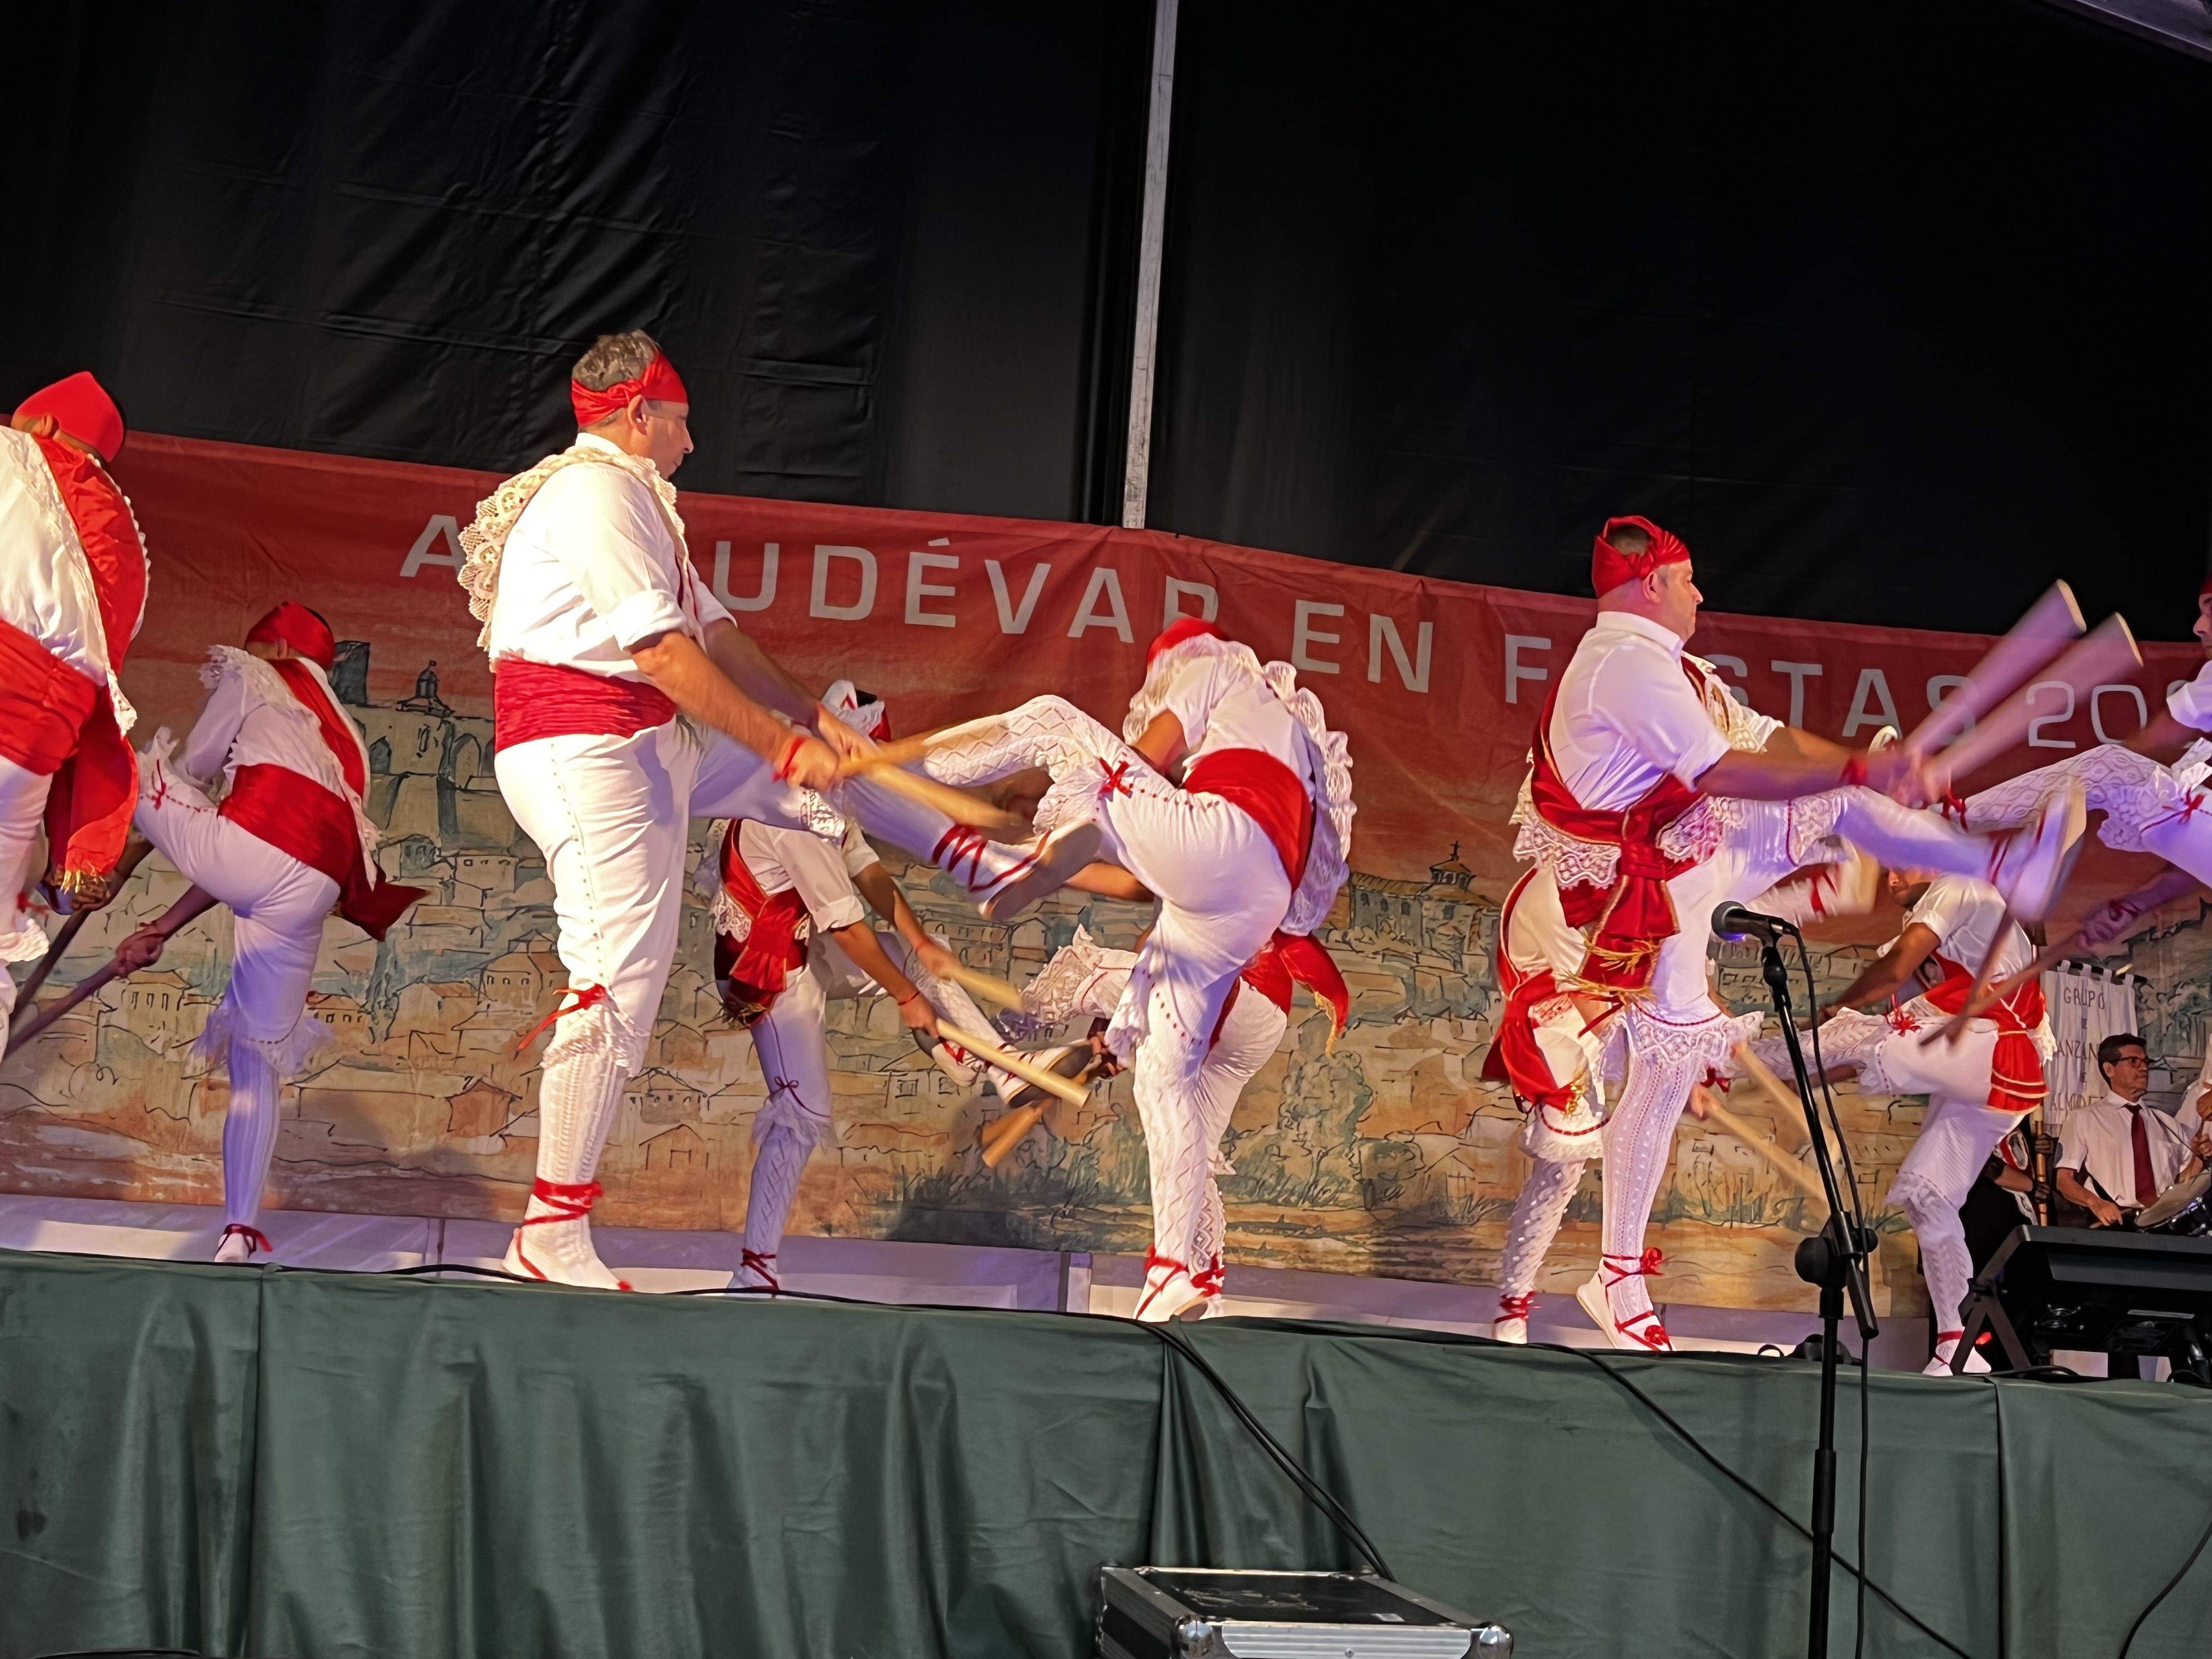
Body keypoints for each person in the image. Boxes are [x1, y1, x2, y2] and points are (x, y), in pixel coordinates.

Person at [1512, 515, 2083, 1351]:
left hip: (1668, 871)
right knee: (1660, 1069)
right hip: (1617, 892)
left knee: (1835, 814)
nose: (1702, 594)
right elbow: (1724, 773)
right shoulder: (1624, 665)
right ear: (1652, 585)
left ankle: (1985, 858)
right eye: (1691, 579)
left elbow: (1770, 741)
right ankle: (1610, 1275)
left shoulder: (1680, 670)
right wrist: (1862, 771)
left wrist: (1864, 769)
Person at [457, 329, 879, 1290]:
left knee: (815, 782)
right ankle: (549, 1229)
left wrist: (811, 719)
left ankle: (980, 855)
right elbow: (660, 653)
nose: (693, 443)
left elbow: (716, 635)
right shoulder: (597, 492)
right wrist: (782, 741)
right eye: (684, 424)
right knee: (616, 972)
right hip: (590, 744)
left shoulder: (639, 502)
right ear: (641, 415)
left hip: (642, 742)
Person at [837, 619, 1355, 1321]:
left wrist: (1047, 824)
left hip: (1228, 841)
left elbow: (1140, 758)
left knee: (1057, 722)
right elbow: (1156, 921)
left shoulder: (1219, 674)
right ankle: (1177, 1274)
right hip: (1252, 903)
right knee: (1163, 1077)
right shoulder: (1280, 732)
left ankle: (884, 767)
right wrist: (1119, 1035)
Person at [709, 684, 1089, 1293]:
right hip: (767, 970)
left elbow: (868, 871)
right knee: (803, 1113)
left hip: (805, 943)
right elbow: (851, 930)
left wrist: (920, 946)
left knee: (918, 961)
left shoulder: (828, 797)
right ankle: (754, 1271)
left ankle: (1001, 1068)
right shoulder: (790, 811)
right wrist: (911, 999)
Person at [117, 603, 425, 1261]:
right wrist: (161, 927)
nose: (240, 649)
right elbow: (253, 857)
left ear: (276, 644)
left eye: (251, 641)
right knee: (256, 1059)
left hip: (249, 855)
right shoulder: (343, 735)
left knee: (129, 768)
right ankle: (239, 1229)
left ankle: (59, 878)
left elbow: (197, 768)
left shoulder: (256, 673)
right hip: (308, 891)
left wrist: (134, 850)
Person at [1775, 868, 2052, 1374]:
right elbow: (1884, 1029)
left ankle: (1724, 1059)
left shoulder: (1959, 884)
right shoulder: (1957, 984)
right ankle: (1957, 1347)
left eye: (1903, 862)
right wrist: (1804, 1079)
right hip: (1996, 1071)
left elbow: (1892, 975)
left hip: (2000, 1051)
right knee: (1929, 1198)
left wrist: (1833, 1012)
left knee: (1867, 1033)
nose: (1892, 878)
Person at [1007, 922, 1346, 1314]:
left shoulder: (1208, 865)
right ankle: (1201, 1287)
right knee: (1193, 1155)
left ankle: (986, 1045)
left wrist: (1115, 1027)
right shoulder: (1266, 876)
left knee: (1086, 968)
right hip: (1261, 1022)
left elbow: (1154, 942)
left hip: (1222, 992)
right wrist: (1116, 1030)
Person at [0, 373, 149, 1051]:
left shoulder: (7, 456)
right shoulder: (127, 544)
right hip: (29, 758)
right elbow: (97, 694)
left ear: (49, 427)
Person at [2056, 1034, 2203, 1227]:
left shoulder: (2166, 1123)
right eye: (2133, 1061)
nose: (2143, 1068)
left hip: (2164, 1226)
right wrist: (2096, 1204)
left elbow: (2187, 1180)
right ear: (2109, 1069)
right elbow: (2064, 1182)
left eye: (2145, 1062)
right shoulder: (2085, 1118)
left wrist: (2200, 1155)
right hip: (2113, 1224)